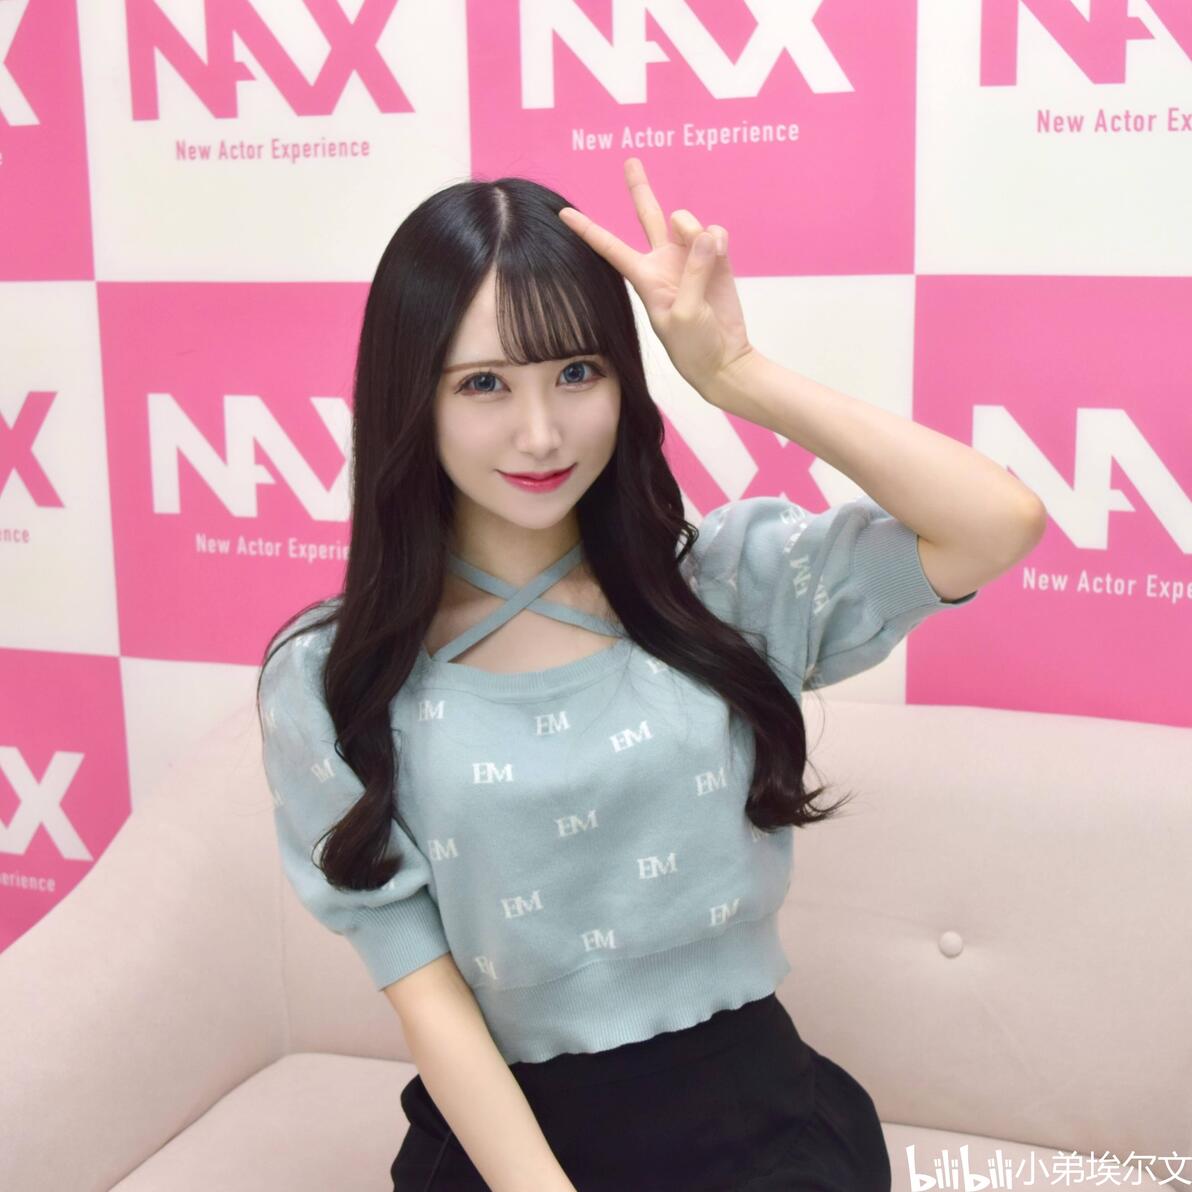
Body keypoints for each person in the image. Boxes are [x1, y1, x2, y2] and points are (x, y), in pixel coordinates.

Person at [257, 158, 1041, 1190]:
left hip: (758, 1131)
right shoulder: (333, 678)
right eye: (485, 384)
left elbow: (997, 523)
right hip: (506, 1149)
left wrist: (736, 373)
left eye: (576, 372)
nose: (541, 432)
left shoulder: (727, 584)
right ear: (414, 397)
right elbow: (425, 992)